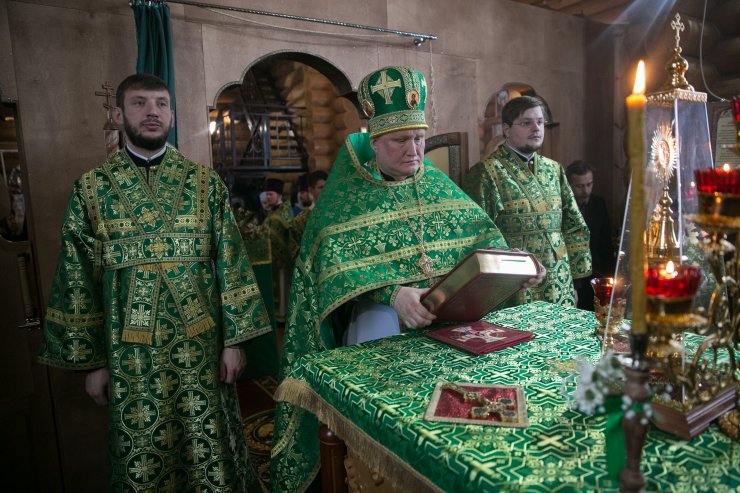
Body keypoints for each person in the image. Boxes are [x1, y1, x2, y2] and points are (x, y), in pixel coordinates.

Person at [271, 66, 544, 493]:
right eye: (400, 140)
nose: (414, 150)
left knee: (443, 432)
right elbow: (327, 269)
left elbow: (483, 240)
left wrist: (516, 268)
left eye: (418, 138)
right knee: (382, 441)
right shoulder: (344, 198)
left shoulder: (436, 184)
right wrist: (392, 294)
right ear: (374, 141)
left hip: (450, 337)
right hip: (377, 333)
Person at [37, 74, 272, 492]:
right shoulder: (91, 190)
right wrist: (93, 363)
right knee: (143, 455)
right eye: (140, 103)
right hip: (129, 356)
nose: (152, 112)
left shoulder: (205, 183)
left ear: (172, 116)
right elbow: (77, 279)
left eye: (161, 104)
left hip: (202, 348)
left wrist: (235, 342)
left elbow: (232, 263)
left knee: (209, 450)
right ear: (118, 115)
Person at [463, 95, 592, 308]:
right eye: (526, 123)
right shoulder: (486, 173)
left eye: (540, 122)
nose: (536, 128)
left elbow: (574, 225)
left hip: (560, 282)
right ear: (506, 129)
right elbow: (478, 236)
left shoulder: (554, 170)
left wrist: (576, 284)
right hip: (517, 286)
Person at [566, 160, 614, 310]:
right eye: (580, 186)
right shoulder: (561, 206)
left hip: (595, 276)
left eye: (589, 184)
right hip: (570, 277)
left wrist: (608, 278)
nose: (586, 191)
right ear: (569, 185)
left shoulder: (598, 204)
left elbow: (605, 245)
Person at [290, 169, 328, 250]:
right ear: (311, 190)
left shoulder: (335, 214)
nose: (326, 191)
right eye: (321, 187)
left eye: (327, 187)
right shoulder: (301, 219)